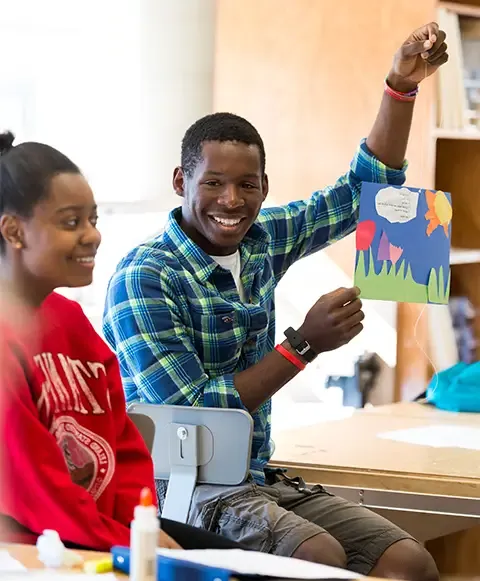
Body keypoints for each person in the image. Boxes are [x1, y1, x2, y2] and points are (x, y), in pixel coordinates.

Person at [103, 23, 447, 579]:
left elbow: (365, 190)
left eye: (248, 185)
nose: (231, 201)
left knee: (409, 563)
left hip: (256, 475)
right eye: (212, 183)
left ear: (265, 185)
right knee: (319, 558)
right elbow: (201, 411)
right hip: (174, 486)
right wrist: (305, 345)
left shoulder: (262, 239)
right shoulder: (144, 278)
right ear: (179, 182)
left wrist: (400, 87)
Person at [0, 131, 245, 553]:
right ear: (14, 231)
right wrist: (130, 545)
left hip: (98, 529)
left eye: (93, 220)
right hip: (34, 542)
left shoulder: (71, 321)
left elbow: (125, 447)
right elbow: (33, 486)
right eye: (70, 222)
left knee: (238, 563)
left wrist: (142, 528)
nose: (92, 236)